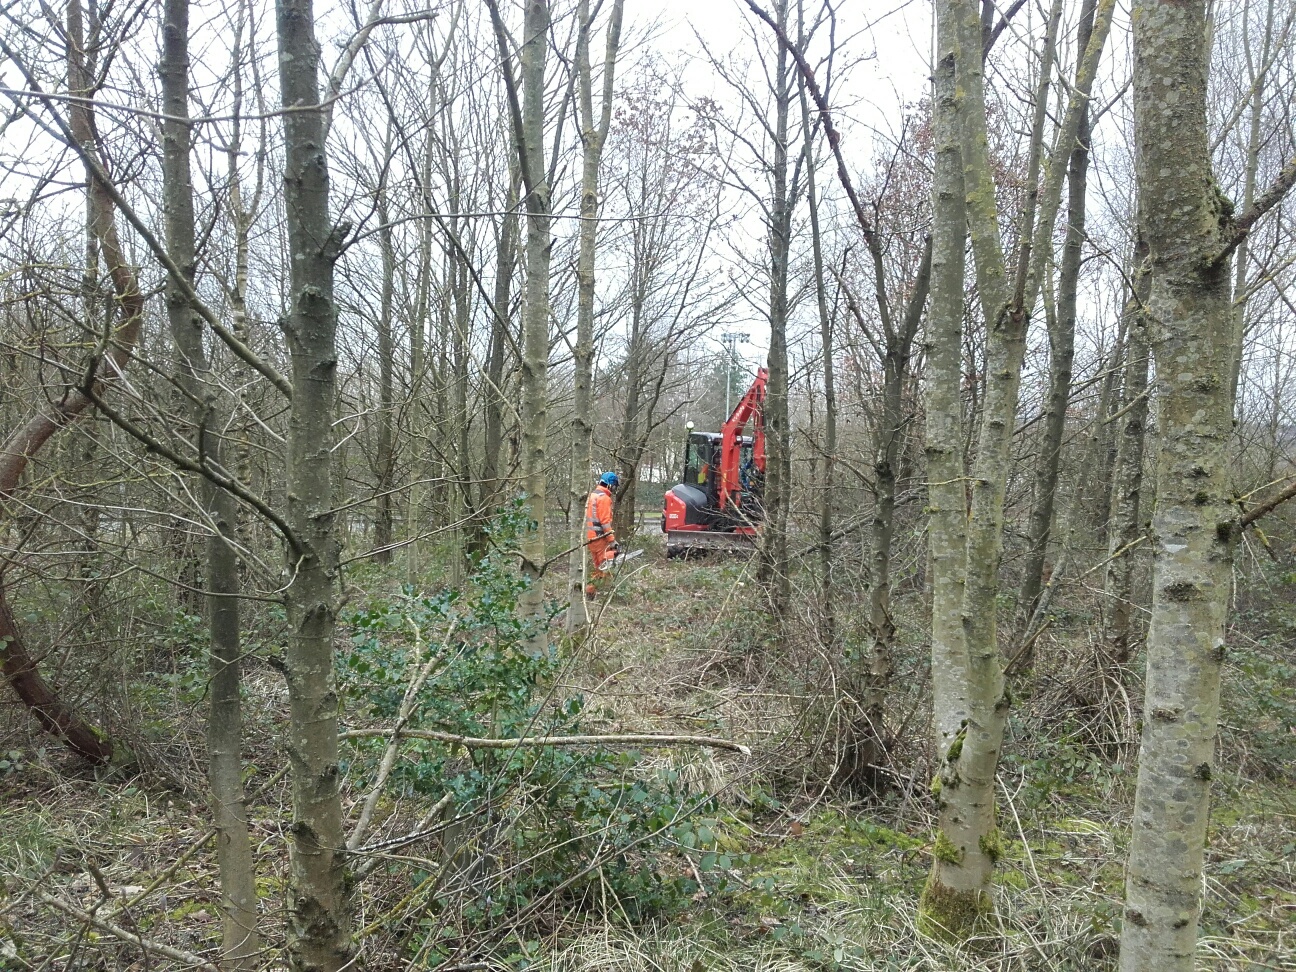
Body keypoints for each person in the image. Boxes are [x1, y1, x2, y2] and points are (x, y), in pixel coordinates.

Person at [584, 471, 620, 596]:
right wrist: (612, 540)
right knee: (606, 564)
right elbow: (605, 523)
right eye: (614, 486)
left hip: (590, 537)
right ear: (610, 485)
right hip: (600, 537)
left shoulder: (593, 495)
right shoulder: (604, 498)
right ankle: (606, 592)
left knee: (599, 567)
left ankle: (591, 591)